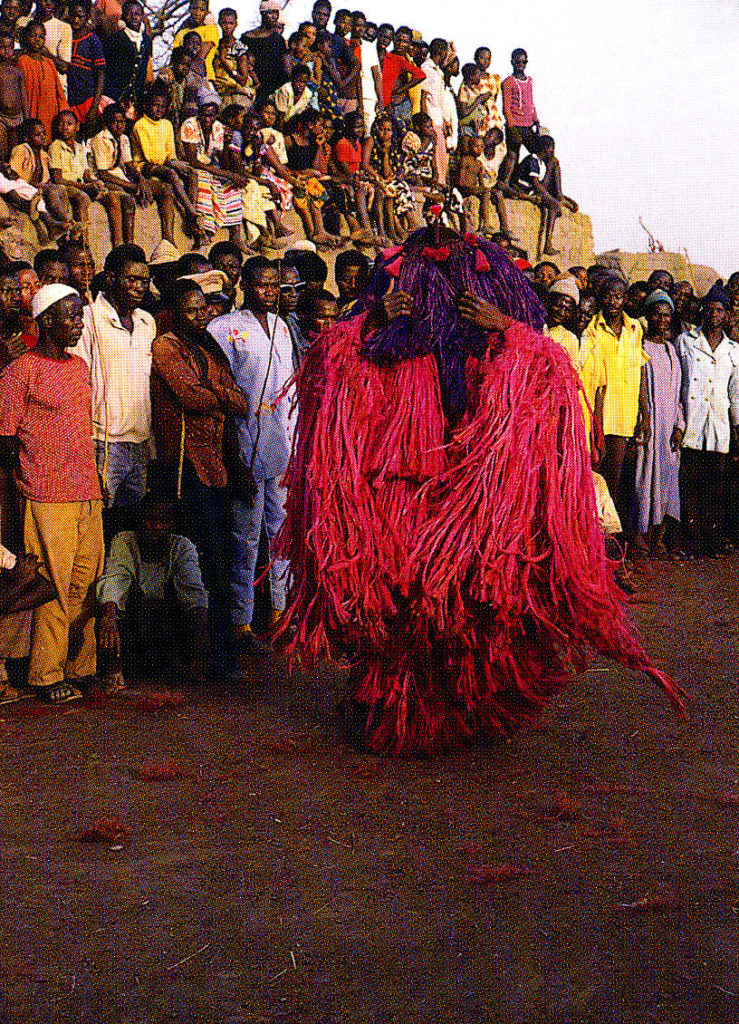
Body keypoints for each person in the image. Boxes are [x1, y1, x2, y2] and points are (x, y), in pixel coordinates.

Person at [273, 227, 685, 755]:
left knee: (464, 608)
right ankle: (392, 709)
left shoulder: (500, 341)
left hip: (474, 498)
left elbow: (550, 376)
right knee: (402, 606)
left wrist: (506, 328)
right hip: (401, 492)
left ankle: (459, 711)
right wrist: (375, 321)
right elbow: (330, 365)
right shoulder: (385, 337)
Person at [0, 284, 104, 703]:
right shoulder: (20, 371)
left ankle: (81, 666)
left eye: (80, 317)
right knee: (55, 587)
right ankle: (45, 674)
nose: (79, 325)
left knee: (85, 583)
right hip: (46, 493)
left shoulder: (79, 367)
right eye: (71, 317)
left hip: (86, 489)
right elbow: (5, 437)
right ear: (45, 322)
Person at [150, 277, 250, 678]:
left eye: (203, 308)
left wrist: (216, 392)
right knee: (191, 561)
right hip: (184, 468)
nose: (200, 316)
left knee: (220, 561)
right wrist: (220, 393)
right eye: (190, 310)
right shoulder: (166, 345)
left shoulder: (209, 346)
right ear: (175, 313)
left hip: (217, 466)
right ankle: (187, 657)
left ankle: (222, 658)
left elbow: (240, 400)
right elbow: (190, 396)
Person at [208, 257, 295, 646]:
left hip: (282, 443)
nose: (270, 292)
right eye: (261, 285)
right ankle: (241, 619)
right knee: (245, 536)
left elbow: (289, 390)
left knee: (281, 531)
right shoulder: (224, 328)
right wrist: (235, 456)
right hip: (244, 441)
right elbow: (221, 392)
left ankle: (280, 609)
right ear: (244, 284)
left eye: (275, 286)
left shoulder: (281, 325)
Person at [97, 489, 210, 692]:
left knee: (195, 611)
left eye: (165, 522)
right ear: (141, 518)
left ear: (174, 524)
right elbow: (116, 578)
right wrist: (109, 617)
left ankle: (178, 663)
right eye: (151, 520)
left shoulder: (182, 546)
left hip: (164, 625)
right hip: (132, 622)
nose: (157, 527)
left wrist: (200, 640)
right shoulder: (125, 540)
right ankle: (115, 671)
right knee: (112, 605)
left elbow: (195, 593)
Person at [78, 244, 155, 517]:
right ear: (111, 279)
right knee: (99, 520)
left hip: (140, 443)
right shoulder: (87, 319)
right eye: (131, 279)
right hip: (102, 443)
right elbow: (79, 384)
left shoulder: (147, 322)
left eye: (144, 281)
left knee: (131, 522)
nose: (139, 287)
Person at [580, 275, 649, 514]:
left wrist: (645, 416)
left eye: (618, 296)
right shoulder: (592, 329)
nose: (612, 301)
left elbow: (641, 375)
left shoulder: (635, 328)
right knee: (594, 477)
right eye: (608, 296)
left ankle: (610, 537)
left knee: (615, 479)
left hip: (624, 418)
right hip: (597, 417)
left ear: (626, 299)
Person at [676, 295, 739, 556]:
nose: (714, 314)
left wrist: (736, 425)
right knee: (689, 483)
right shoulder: (686, 341)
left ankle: (712, 542)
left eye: (719, 310)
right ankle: (690, 542)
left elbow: (735, 393)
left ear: (726, 316)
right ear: (702, 312)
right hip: (691, 421)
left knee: (715, 486)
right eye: (710, 309)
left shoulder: (733, 350)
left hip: (719, 425)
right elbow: (677, 386)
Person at [632, 290, 684, 560]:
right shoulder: (641, 347)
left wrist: (679, 425)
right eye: (657, 314)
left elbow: (678, 394)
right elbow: (641, 390)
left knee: (668, 479)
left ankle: (659, 538)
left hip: (669, 429)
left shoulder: (672, 350)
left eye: (666, 315)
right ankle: (641, 536)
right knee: (645, 477)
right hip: (649, 426)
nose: (662, 320)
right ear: (648, 316)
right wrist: (644, 420)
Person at [90, 102, 178, 246]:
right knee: (128, 202)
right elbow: (103, 174)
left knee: (166, 189)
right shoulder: (100, 139)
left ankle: (169, 239)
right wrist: (131, 186)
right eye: (114, 122)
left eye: (122, 122)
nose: (119, 126)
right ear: (106, 123)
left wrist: (141, 180)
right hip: (105, 180)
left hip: (121, 177)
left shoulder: (123, 138)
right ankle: (125, 246)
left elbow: (129, 164)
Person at [131, 88, 203, 242]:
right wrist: (170, 164)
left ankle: (192, 217)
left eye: (162, 107)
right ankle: (191, 212)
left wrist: (174, 162)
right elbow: (150, 156)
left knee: (192, 173)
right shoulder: (140, 125)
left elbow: (171, 153)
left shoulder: (167, 124)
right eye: (155, 105)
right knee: (171, 174)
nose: (159, 109)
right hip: (145, 165)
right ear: (147, 106)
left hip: (164, 162)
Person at [181, 89, 245, 249]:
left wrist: (226, 146)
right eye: (203, 114)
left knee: (233, 188)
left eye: (210, 115)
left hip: (211, 168)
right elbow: (193, 161)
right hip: (191, 167)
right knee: (202, 180)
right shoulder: (190, 125)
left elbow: (223, 162)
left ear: (216, 114)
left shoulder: (218, 128)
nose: (206, 119)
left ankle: (235, 236)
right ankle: (201, 231)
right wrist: (227, 173)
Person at [48, 109, 114, 230]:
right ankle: (83, 241)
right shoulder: (55, 146)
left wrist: (95, 184)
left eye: (69, 124)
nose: (65, 127)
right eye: (61, 124)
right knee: (82, 197)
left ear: (77, 126)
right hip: (66, 186)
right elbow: (57, 179)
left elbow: (87, 176)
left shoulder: (80, 148)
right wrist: (85, 187)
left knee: (111, 196)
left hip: (80, 184)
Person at [16, 20, 68, 140]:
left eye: (41, 37)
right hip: (32, 112)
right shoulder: (23, 60)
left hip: (51, 114)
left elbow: (59, 91)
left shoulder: (49, 62)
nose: (37, 39)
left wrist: (63, 112)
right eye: (33, 36)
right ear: (26, 38)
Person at [102, 0, 152, 117]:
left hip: (135, 99)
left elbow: (143, 72)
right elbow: (107, 68)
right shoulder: (116, 39)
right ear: (123, 16)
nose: (134, 17)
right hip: (114, 95)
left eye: (137, 14)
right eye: (130, 14)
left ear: (142, 16)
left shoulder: (146, 41)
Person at [499, 48, 539, 192]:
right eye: (518, 61)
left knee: (538, 151)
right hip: (515, 125)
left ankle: (531, 182)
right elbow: (507, 107)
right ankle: (506, 183)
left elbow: (531, 102)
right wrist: (511, 127)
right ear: (512, 62)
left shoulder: (529, 81)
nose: (521, 64)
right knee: (513, 154)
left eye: (524, 61)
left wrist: (536, 120)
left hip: (528, 126)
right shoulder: (508, 82)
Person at [373, 25, 424, 131]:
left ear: (409, 44)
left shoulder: (406, 61)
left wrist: (401, 90)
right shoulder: (388, 56)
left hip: (402, 105)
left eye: (405, 42)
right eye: (398, 40)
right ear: (394, 39)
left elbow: (420, 75)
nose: (401, 44)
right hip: (386, 104)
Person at [67, 0, 105, 131]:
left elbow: (100, 75)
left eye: (80, 16)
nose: (76, 20)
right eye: (73, 16)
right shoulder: (65, 37)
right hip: (69, 101)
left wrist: (94, 107)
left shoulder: (93, 40)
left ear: (87, 17)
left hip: (88, 101)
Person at [241, 0, 287, 104]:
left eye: (276, 13)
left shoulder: (278, 39)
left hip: (273, 89)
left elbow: (282, 67)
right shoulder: (247, 37)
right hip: (252, 87)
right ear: (262, 13)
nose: (274, 16)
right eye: (271, 12)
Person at [420, 37, 448, 183]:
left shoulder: (437, 71)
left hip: (438, 118)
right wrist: (426, 120)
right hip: (431, 118)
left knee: (441, 154)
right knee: (435, 155)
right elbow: (424, 96)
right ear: (441, 52)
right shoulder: (427, 69)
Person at [172, 0, 219, 81]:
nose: (197, 13)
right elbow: (176, 57)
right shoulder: (181, 33)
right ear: (190, 9)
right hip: (181, 77)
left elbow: (200, 57)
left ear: (207, 12)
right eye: (194, 8)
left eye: (202, 10)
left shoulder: (211, 28)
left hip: (204, 77)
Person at [34, 0, 72, 97]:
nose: (48, 3)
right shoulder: (23, 22)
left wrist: (43, 53)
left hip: (55, 85)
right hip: (30, 82)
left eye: (52, 0)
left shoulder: (63, 27)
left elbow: (64, 66)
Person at [0, 27, 26, 160]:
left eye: (10, 47)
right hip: (2, 118)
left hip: (17, 117)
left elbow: (24, 96)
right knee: (2, 151)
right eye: (2, 47)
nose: (6, 50)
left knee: (15, 152)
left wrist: (27, 119)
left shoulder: (17, 71)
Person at [543, 275, 580, 368]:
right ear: (548, 302)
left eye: (567, 309)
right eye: (558, 305)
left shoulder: (570, 339)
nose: (561, 312)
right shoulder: (531, 326)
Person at [473, 45, 503, 134]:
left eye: (488, 58)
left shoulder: (495, 78)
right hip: (479, 119)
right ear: (475, 59)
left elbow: (494, 99)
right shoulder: (471, 78)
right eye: (482, 58)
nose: (485, 61)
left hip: (494, 117)